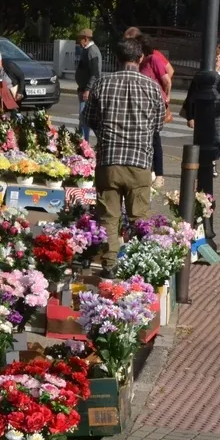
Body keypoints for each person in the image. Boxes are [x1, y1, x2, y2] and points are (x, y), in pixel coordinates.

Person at [83, 37, 165, 276]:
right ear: (140, 59)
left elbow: (89, 118)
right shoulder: (151, 87)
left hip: (109, 160)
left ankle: (110, 264)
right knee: (139, 216)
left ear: (117, 59)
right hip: (140, 160)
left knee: (108, 216)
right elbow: (158, 124)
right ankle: (140, 267)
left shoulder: (102, 84)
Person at [124, 28, 173, 178]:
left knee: (154, 138)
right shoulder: (142, 60)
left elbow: (169, 74)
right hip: (143, 102)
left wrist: (165, 97)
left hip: (153, 103)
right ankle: (146, 169)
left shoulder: (154, 57)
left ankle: (158, 173)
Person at [184, 43, 220, 173]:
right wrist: (190, 116)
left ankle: (213, 160)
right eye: (216, 56)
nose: (218, 59)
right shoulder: (202, 74)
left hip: (219, 113)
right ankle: (205, 165)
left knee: (219, 140)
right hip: (202, 113)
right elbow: (191, 96)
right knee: (202, 141)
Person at [75, 28, 102, 142]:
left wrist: (87, 89)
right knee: (83, 118)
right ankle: (83, 141)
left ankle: (84, 142)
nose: (78, 42)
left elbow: (95, 73)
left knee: (84, 118)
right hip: (83, 89)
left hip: (87, 91)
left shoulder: (92, 51)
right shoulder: (86, 50)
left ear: (85, 39)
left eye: (79, 39)